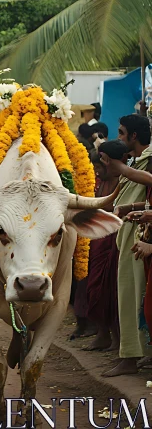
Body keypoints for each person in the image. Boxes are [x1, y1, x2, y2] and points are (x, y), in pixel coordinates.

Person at [102, 114, 152, 377]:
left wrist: (120, 168)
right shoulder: (135, 160)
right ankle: (135, 353)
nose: (119, 138)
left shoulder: (147, 160)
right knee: (131, 298)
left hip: (143, 238)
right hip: (131, 233)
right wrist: (129, 207)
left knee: (136, 298)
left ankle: (131, 357)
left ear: (133, 136)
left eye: (122, 133)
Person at [79, 141, 125, 352]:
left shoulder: (123, 182)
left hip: (113, 238)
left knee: (112, 290)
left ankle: (117, 339)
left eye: (100, 166)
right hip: (96, 240)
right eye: (95, 167)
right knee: (94, 287)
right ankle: (102, 334)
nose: (98, 170)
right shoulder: (97, 182)